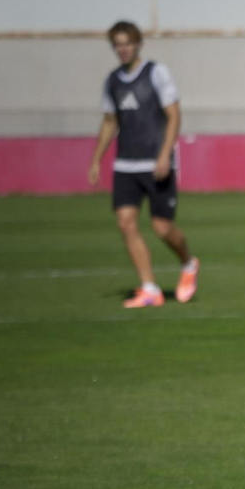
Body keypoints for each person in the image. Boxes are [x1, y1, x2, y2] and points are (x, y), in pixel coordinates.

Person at [87, 20, 198, 309]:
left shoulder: (156, 73)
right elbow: (111, 121)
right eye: (118, 44)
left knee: (162, 228)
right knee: (126, 224)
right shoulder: (112, 81)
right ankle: (150, 288)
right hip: (126, 165)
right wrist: (97, 158)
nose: (122, 49)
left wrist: (165, 154)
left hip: (155, 162)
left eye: (127, 43)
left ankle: (188, 264)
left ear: (138, 44)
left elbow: (173, 115)